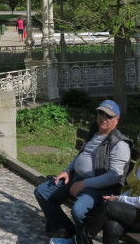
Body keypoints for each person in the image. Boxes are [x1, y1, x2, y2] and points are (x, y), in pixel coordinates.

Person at [34, 100, 131, 244]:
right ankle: (69, 230)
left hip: (96, 186)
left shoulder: (119, 144)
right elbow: (81, 155)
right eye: (101, 113)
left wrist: (84, 184)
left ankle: (82, 240)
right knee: (42, 192)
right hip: (75, 178)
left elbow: (114, 177)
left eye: (109, 116)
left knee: (78, 210)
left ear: (117, 120)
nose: (103, 118)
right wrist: (67, 170)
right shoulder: (94, 132)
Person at [78, 157, 140, 244]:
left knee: (108, 207)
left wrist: (118, 199)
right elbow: (133, 189)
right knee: (111, 226)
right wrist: (116, 198)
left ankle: (79, 239)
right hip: (134, 214)